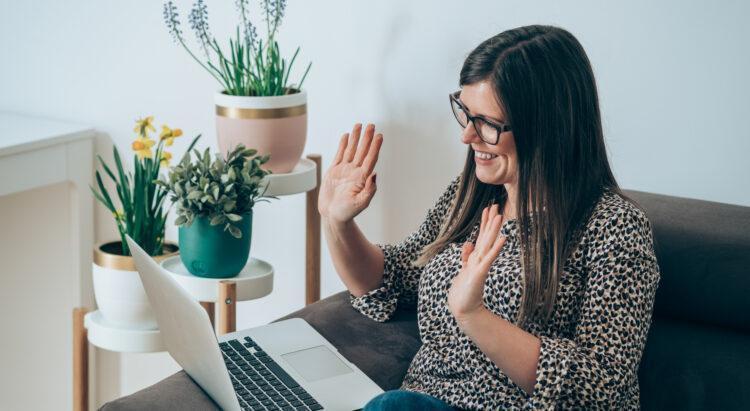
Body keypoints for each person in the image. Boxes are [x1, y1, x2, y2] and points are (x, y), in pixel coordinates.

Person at [317, 24, 661, 410]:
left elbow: (600, 386)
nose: (467, 136)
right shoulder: (471, 197)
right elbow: (393, 283)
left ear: (547, 127)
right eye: (465, 113)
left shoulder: (614, 226)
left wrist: (474, 315)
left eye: (487, 123)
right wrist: (337, 223)